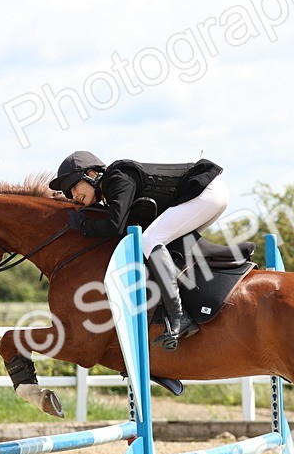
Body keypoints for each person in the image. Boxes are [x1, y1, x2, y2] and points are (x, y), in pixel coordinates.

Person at [48, 150, 229, 350]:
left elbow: (114, 226)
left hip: (205, 192)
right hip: (206, 194)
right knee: (163, 245)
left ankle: (179, 316)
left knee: (150, 239)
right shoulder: (110, 190)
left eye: (75, 187)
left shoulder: (116, 178)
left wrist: (82, 224)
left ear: (91, 174)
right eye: (70, 193)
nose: (74, 196)